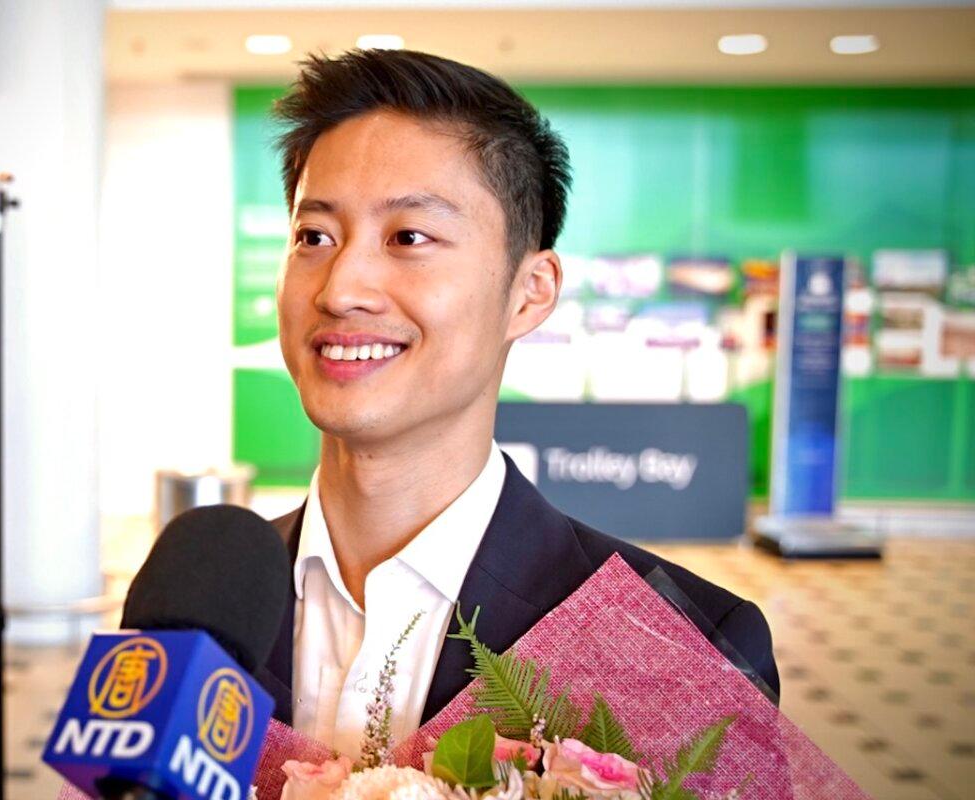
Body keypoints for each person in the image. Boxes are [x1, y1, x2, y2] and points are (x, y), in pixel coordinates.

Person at [253, 48, 779, 760]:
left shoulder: (680, 647)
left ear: (531, 293)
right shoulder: (198, 603)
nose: (341, 289)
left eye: (409, 237)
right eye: (314, 237)